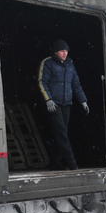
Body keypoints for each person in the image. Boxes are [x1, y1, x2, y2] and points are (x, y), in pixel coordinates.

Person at [38, 39, 89, 170]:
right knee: (61, 134)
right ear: (56, 52)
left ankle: (55, 163)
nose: (65, 53)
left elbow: (76, 84)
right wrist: (48, 100)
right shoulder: (48, 63)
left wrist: (83, 100)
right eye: (62, 51)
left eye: (66, 51)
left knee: (62, 134)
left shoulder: (70, 65)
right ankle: (73, 165)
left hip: (67, 103)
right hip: (54, 104)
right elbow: (42, 82)